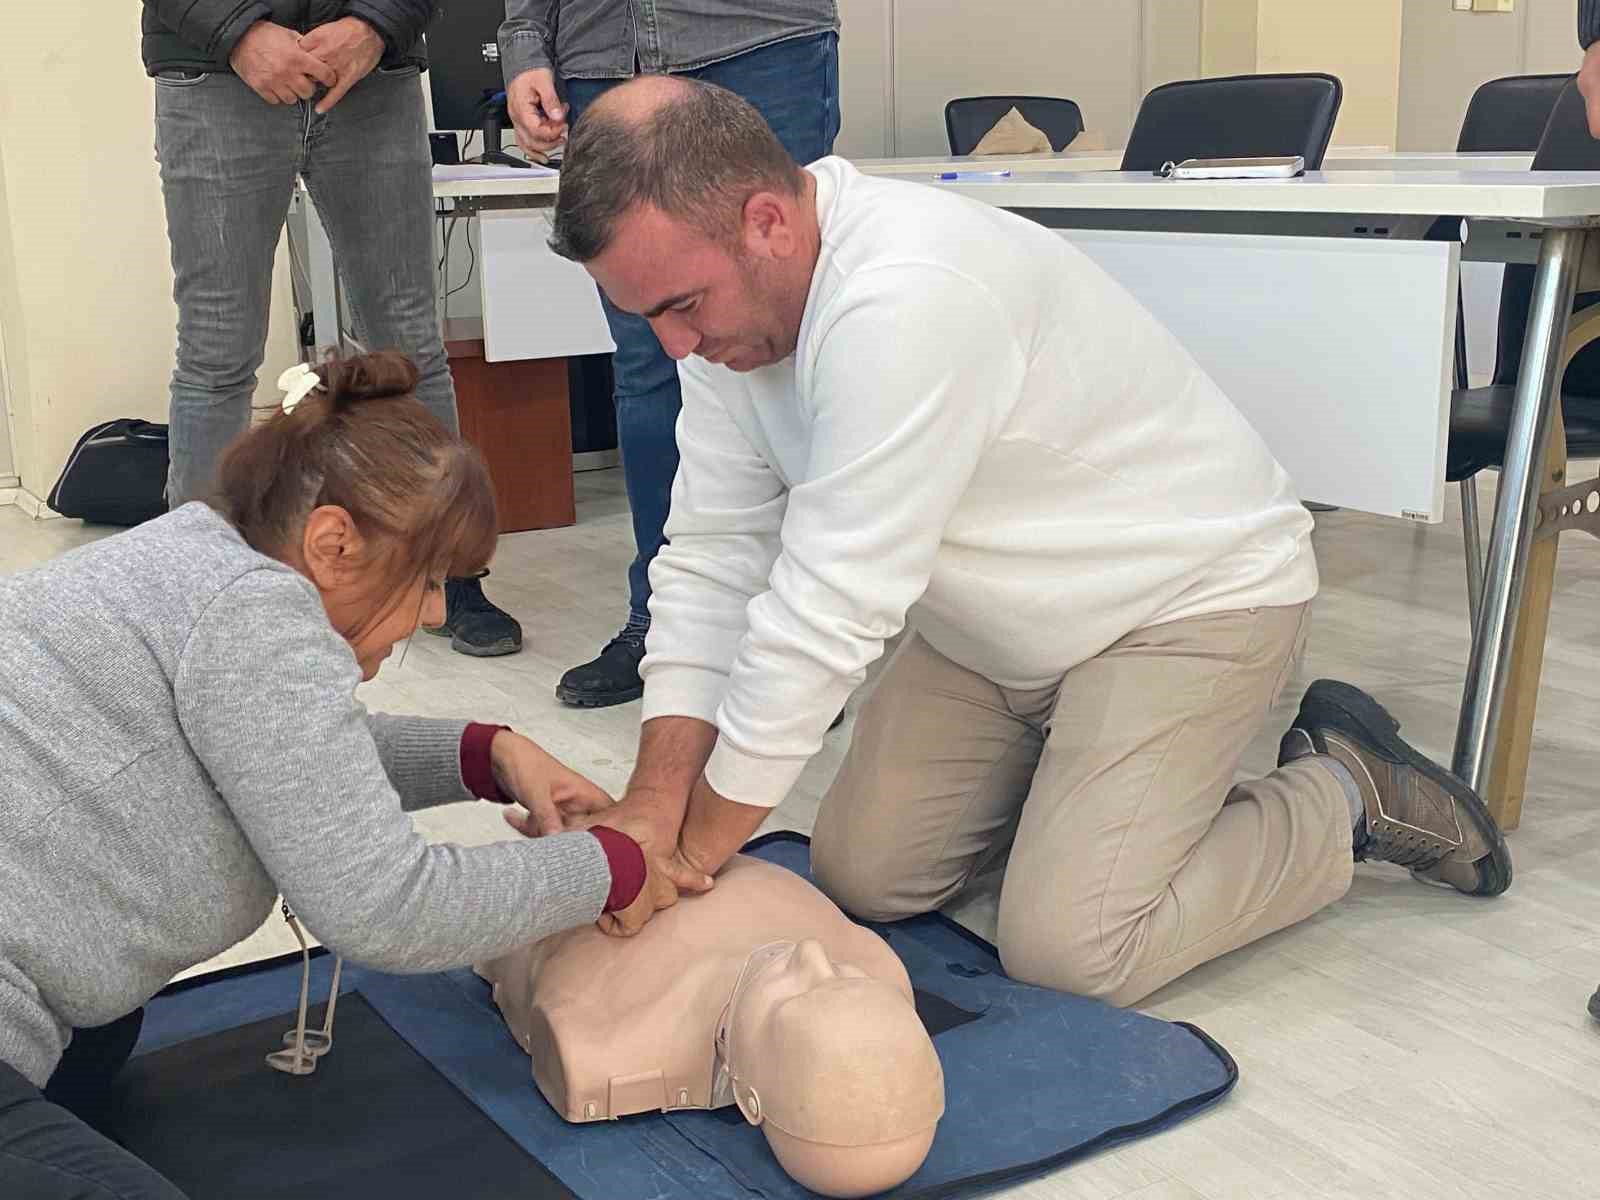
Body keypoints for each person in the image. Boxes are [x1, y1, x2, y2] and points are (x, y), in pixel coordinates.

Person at [547, 77, 1515, 1007]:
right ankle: (1089, 799)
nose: (673, 346)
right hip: (996, 630)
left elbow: (827, 605)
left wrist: (687, 856)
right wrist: (649, 805)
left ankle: (1349, 790)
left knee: (1070, 949)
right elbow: (713, 556)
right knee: (866, 877)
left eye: (680, 307)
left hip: (1183, 606)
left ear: (767, 220)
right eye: (647, 317)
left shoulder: (907, 293)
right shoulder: (725, 321)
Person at [0, 352, 699, 1199]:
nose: (437, 612)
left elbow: (290, 760)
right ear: (333, 542)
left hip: (46, 998)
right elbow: (387, 908)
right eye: (431, 580)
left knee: (100, 1035)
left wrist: (485, 753)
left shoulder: (201, 555)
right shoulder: (259, 616)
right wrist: (615, 867)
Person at [141, 0, 522, 657]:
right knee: (216, 351)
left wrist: (375, 24)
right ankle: (194, 590)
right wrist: (238, 30)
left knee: (408, 343)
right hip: (215, 79)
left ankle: (446, 571)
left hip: (373, 77)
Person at [497, 0, 841, 707]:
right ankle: (664, 622)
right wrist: (526, 42)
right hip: (598, 55)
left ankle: (800, 635)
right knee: (650, 359)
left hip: (753, 37)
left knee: (786, 336)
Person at [478, 854, 944, 1197]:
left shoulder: (609, 1041)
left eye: (796, 996)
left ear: (749, 1099)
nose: (812, 956)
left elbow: (511, 944)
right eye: (848, 979)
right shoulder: (880, 967)